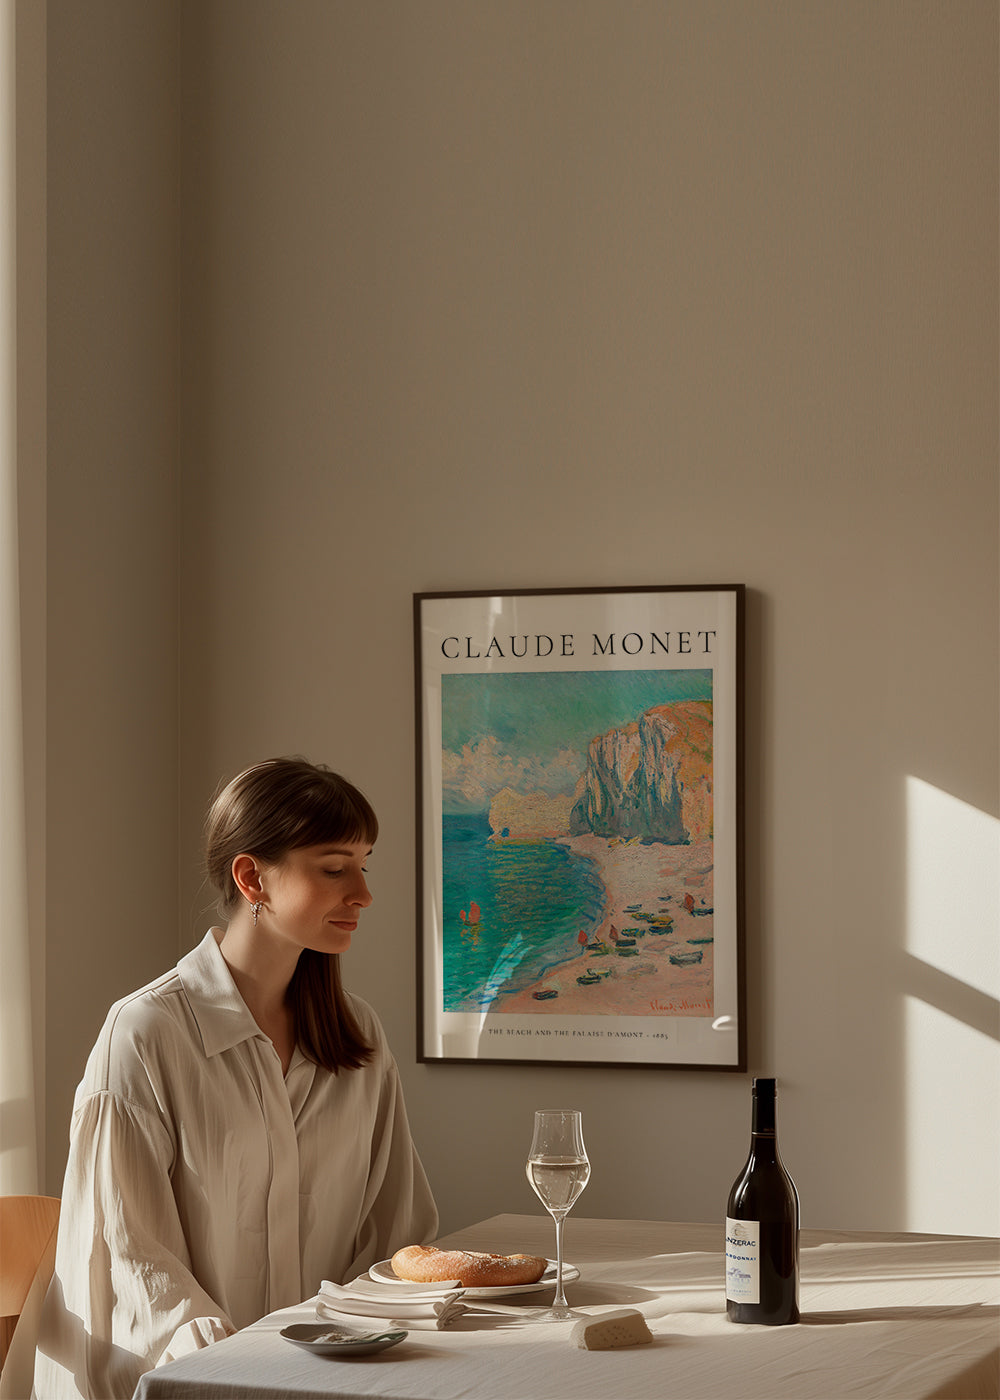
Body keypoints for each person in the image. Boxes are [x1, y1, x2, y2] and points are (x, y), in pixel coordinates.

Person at [32, 758, 438, 1400]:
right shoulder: (146, 1034)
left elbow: (396, 1234)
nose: (362, 893)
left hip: (335, 1377)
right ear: (252, 878)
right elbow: (132, 1264)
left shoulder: (357, 1034)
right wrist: (243, 1373)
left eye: (364, 865)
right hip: (194, 1381)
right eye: (335, 869)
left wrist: (354, 1350)